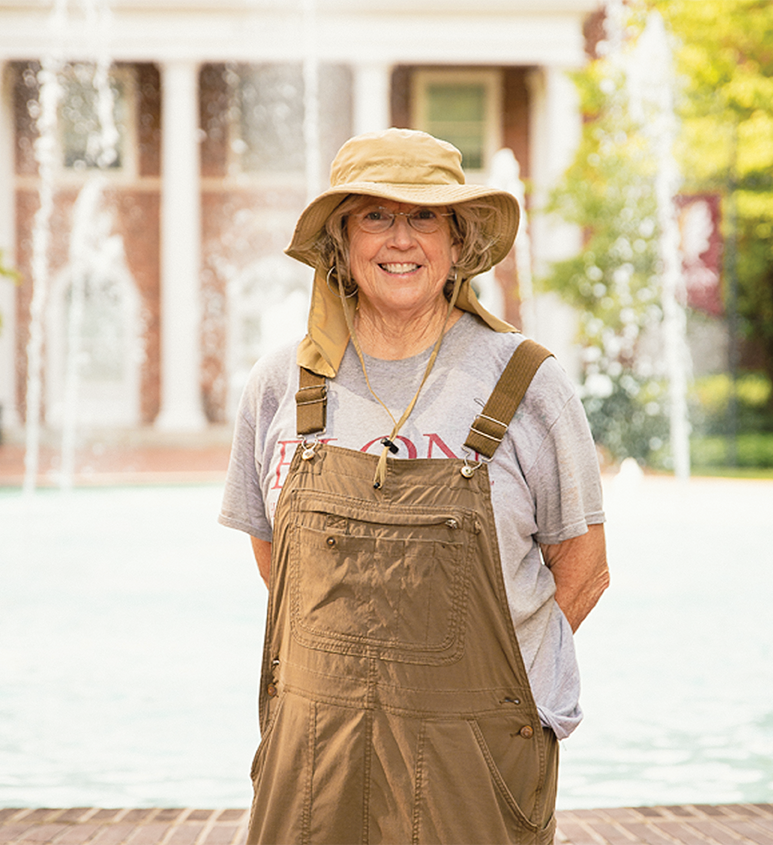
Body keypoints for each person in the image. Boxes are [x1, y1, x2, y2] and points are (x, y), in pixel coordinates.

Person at [219, 128, 609, 845]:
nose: (401, 239)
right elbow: (275, 559)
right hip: (313, 765)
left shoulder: (527, 383)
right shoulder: (282, 384)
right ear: (340, 239)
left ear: (458, 242)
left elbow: (583, 570)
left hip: (472, 767)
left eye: (424, 216)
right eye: (375, 215)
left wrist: (484, 690)